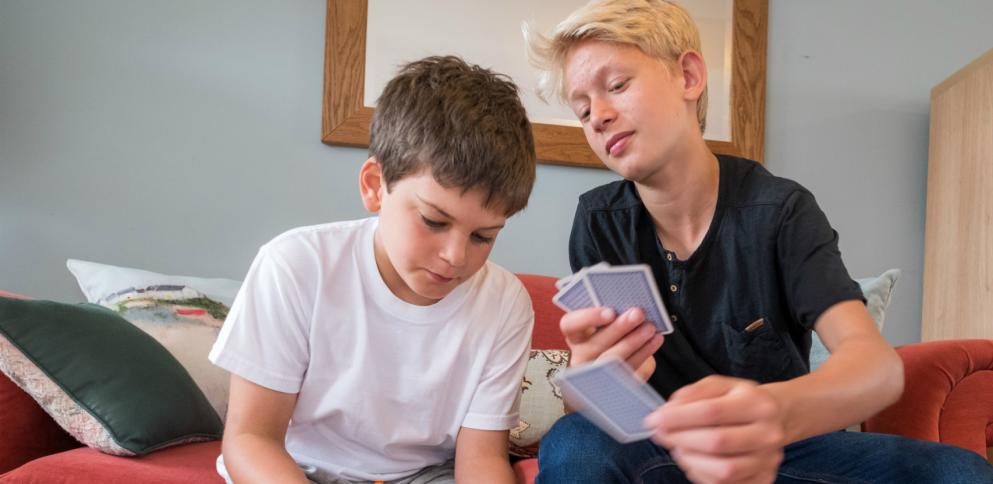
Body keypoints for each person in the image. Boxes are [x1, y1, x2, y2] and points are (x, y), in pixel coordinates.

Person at [525, 1, 993, 482]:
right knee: (575, 438)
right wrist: (587, 374)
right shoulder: (598, 220)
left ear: (688, 76)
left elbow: (875, 366)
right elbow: (594, 405)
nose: (598, 116)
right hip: (659, 451)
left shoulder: (781, 212)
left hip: (781, 449)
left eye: (617, 86)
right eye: (581, 111)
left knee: (959, 472)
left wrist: (773, 411)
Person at [208, 55, 537, 484]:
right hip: (298, 471)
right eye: (434, 221)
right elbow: (251, 439)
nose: (456, 257)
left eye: (483, 237)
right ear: (373, 186)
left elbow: (480, 462)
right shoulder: (296, 266)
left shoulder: (505, 303)